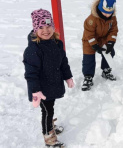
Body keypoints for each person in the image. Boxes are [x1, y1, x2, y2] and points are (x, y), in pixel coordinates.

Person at [23, 8, 75, 147]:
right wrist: (35, 91)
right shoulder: (34, 49)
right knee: (47, 111)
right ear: (35, 29)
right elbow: (31, 73)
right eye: (41, 28)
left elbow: (63, 62)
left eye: (48, 26)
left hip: (53, 84)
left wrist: (68, 77)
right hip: (41, 89)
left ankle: (50, 125)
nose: (46, 30)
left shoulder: (57, 43)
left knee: (50, 108)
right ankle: (49, 137)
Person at [81, 0, 118, 91]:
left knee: (110, 52)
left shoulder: (113, 18)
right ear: (100, 8)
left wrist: (110, 43)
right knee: (88, 57)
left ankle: (106, 70)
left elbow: (113, 31)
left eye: (109, 13)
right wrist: (95, 45)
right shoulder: (91, 19)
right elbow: (89, 34)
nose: (107, 15)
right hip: (89, 40)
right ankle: (88, 76)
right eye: (105, 12)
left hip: (104, 38)